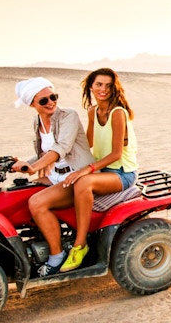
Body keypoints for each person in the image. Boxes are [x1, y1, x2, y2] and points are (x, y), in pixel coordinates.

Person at [54, 67, 140, 273]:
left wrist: (87, 169)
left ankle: (80, 245)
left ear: (114, 89)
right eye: (99, 84)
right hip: (102, 171)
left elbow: (116, 153)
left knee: (83, 181)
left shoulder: (117, 112)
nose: (103, 89)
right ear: (90, 86)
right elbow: (89, 142)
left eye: (108, 86)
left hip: (121, 173)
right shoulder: (93, 111)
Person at [11, 77, 96, 277]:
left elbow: (61, 148)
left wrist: (34, 167)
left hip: (77, 177)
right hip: (55, 175)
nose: (50, 102)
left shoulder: (69, 116)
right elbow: (43, 155)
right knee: (19, 194)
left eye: (53, 97)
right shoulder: (37, 122)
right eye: (43, 100)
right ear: (32, 104)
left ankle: (56, 256)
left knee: (37, 202)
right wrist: (22, 164)